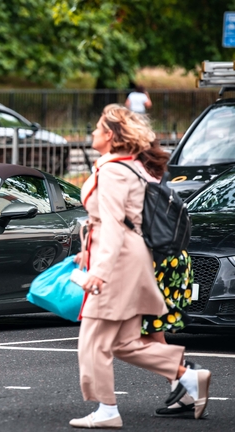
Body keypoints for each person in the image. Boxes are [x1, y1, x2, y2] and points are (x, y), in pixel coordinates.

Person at [70, 104, 211, 429]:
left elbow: (117, 227)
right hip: (128, 259)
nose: (92, 132)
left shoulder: (114, 171)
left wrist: (99, 272)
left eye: (96, 127)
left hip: (118, 264)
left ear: (110, 135)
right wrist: (87, 255)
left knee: (92, 339)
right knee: (124, 342)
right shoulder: (128, 166)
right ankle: (189, 377)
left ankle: (107, 410)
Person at [134, 139, 198, 418]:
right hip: (173, 260)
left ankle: (185, 378)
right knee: (149, 330)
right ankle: (184, 384)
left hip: (156, 262)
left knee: (138, 333)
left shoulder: (136, 181)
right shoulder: (157, 177)